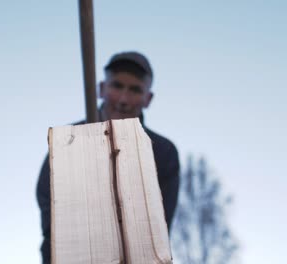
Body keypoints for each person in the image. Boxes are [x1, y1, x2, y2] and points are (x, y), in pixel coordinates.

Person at [36, 51, 180, 264]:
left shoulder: (161, 152)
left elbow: (159, 228)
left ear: (148, 98)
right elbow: (50, 212)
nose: (123, 99)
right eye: (117, 86)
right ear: (101, 88)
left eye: (135, 90)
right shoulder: (68, 142)